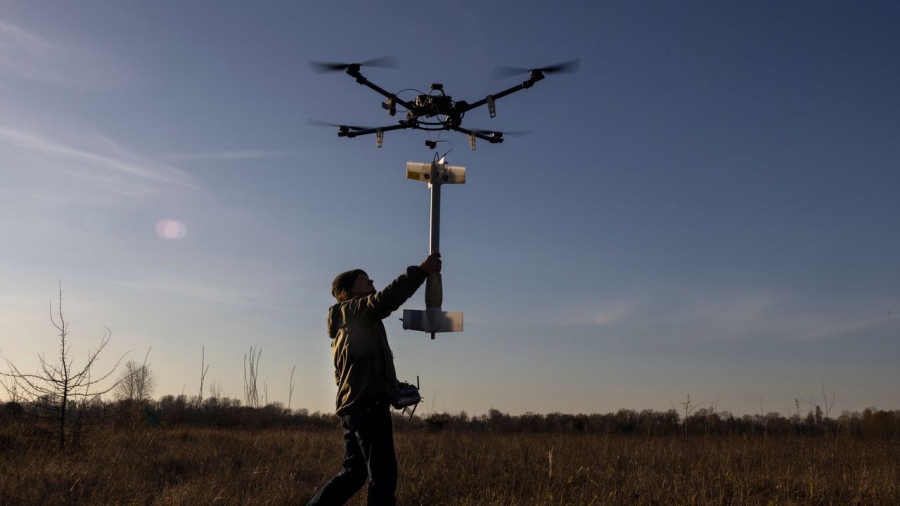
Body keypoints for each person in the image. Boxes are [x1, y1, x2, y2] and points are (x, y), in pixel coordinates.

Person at [308, 252, 442, 506]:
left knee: (354, 473)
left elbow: (349, 373)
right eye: (363, 279)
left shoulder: (346, 326)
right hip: (368, 407)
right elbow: (386, 299)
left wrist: (392, 387)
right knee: (383, 475)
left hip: (353, 408)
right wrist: (421, 271)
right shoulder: (355, 309)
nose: (371, 281)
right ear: (346, 291)